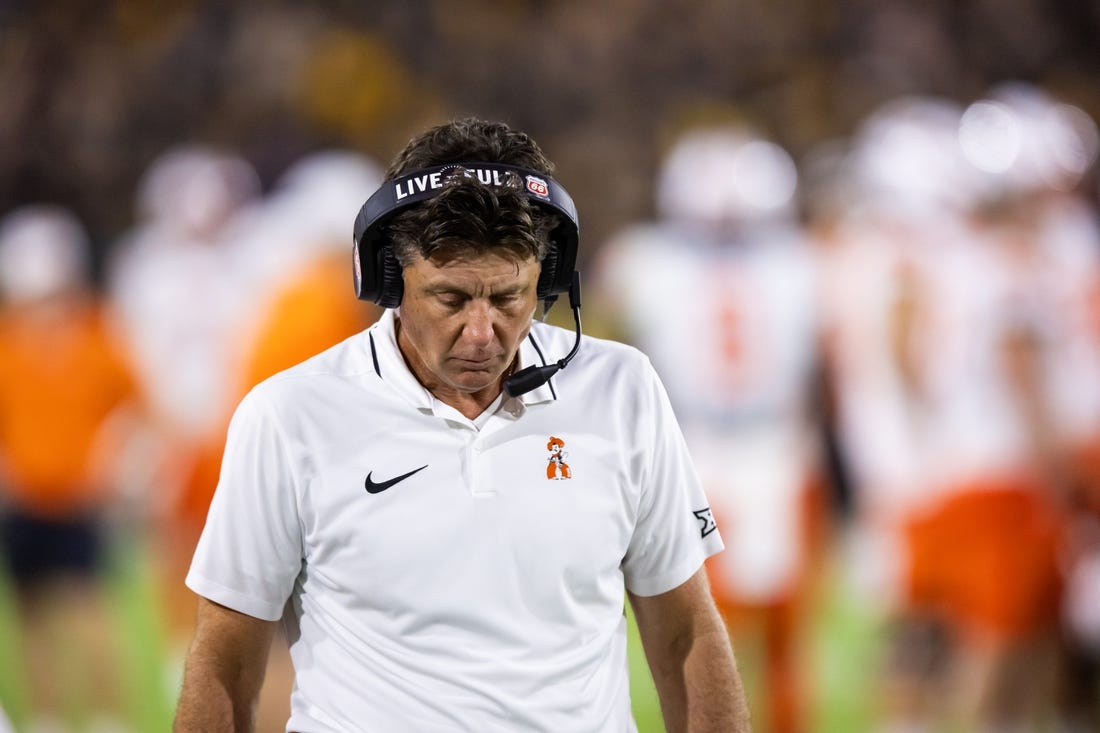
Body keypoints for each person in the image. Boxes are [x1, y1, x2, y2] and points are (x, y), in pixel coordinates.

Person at [173, 117, 751, 733]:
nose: (482, 334)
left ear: (550, 279)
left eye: (508, 298)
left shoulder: (623, 390)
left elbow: (685, 634)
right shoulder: (289, 415)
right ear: (388, 277)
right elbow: (225, 664)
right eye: (450, 299)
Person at [593, 124, 829, 733]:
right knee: (757, 628)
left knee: (711, 624)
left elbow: (599, 343)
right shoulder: (803, 261)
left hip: (699, 447)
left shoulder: (641, 260)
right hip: (759, 448)